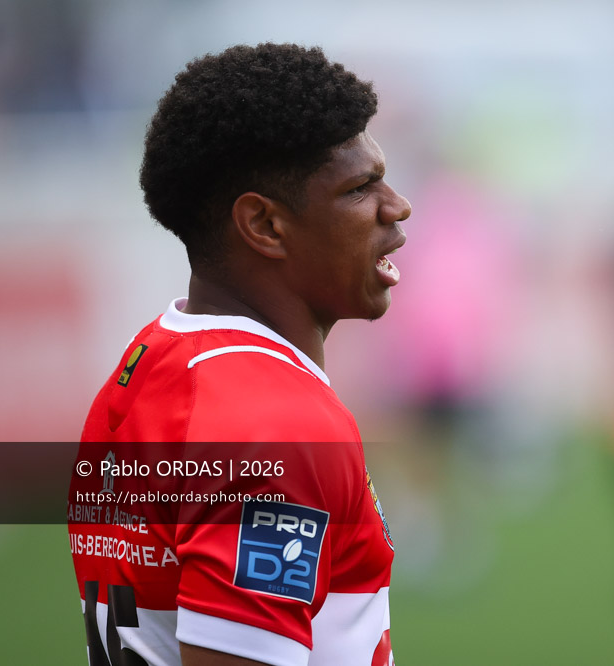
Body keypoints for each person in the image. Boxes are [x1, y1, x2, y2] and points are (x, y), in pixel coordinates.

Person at [67, 43, 411, 666]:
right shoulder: (276, 429)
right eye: (361, 188)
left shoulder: (149, 362)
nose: (397, 206)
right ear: (265, 226)